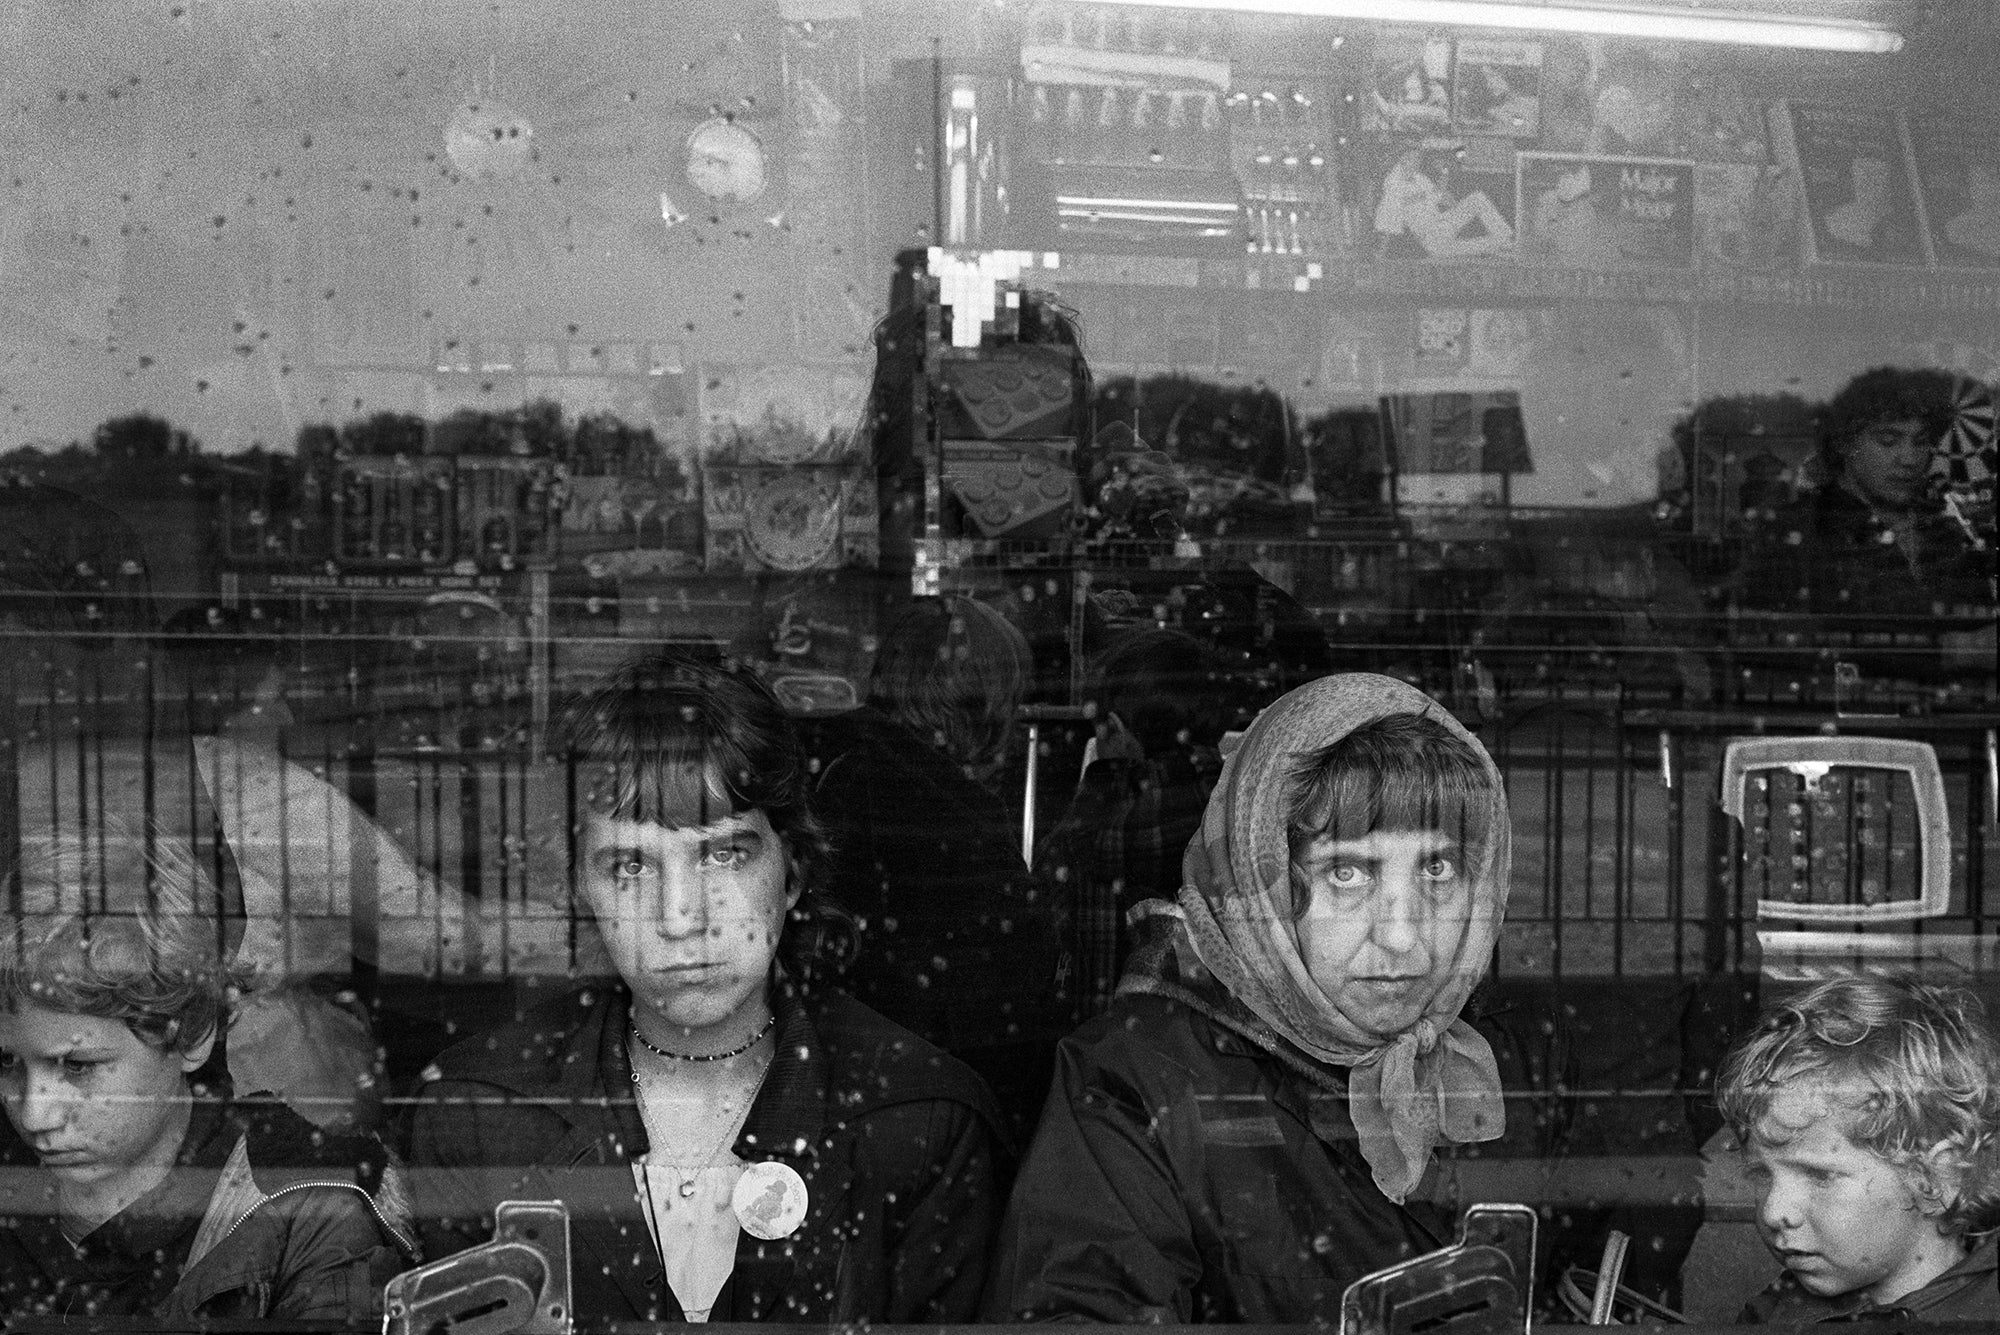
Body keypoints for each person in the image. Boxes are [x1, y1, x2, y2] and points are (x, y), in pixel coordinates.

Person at [406, 652, 1009, 1323]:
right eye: (631, 865)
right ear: (580, 887)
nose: (681, 917)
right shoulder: (478, 1115)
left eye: (723, 854)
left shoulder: (919, 1123)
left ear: (793, 870)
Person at [985, 672, 1558, 1322]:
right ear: (1262, 884)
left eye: (1437, 868)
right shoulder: (1138, 1080)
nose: (1402, 936)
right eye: (1348, 872)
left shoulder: (1502, 1057)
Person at [0, 844, 416, 1321]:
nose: (34, 1114)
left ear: (192, 1036)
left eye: (78, 1067)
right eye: (6, 1062)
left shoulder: (305, 1213)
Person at [809, 595, 1067, 1144]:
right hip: (923, 1112)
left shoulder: (840, 767)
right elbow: (1002, 1003)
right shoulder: (947, 815)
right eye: (1013, 701)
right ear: (982, 706)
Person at [1715, 974, 2000, 1322]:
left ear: (1936, 1178)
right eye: (1762, 1174)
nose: (1774, 1212)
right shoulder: (1773, 1314)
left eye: (1820, 1176)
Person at [1034, 628, 1225, 1018]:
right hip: (1204, 1032)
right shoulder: (1231, 799)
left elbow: (1045, 896)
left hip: (1107, 1026)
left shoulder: (1100, 822)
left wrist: (1101, 783)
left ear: (1116, 730)